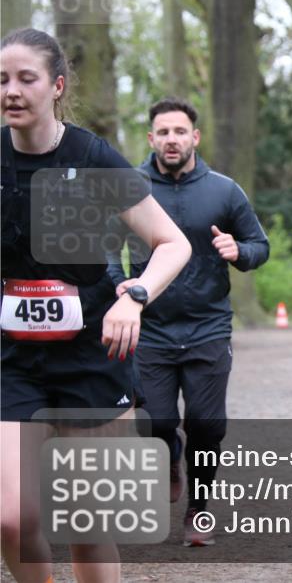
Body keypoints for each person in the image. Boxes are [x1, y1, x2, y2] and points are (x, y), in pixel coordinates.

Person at [1, 28, 191, 582]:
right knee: (12, 518)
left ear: (56, 86)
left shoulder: (92, 157)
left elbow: (171, 243)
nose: (12, 91)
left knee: (87, 523)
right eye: (3, 80)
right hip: (12, 359)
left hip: (91, 355)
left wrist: (134, 297)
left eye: (26, 79)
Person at [107, 97, 269, 548]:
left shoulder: (224, 190)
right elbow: (105, 247)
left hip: (208, 327)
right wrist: (121, 286)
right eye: (163, 132)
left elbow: (260, 244)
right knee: (155, 422)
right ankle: (170, 458)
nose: (172, 139)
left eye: (180, 131)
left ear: (194, 137)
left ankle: (197, 511)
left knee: (207, 425)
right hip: (151, 327)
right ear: (151, 138)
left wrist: (241, 252)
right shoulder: (131, 189)